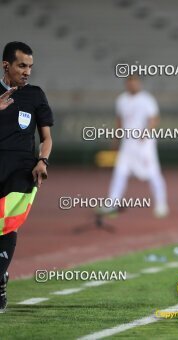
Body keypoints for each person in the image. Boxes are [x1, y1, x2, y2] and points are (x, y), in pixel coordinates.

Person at [0, 41, 53, 313]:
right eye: (22, 65)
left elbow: (46, 138)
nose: (27, 72)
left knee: (9, 224)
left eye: (30, 66)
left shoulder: (35, 95)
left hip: (22, 170)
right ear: (6, 65)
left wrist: (42, 160)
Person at [105, 75, 168, 218]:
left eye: (135, 82)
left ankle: (161, 204)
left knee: (153, 174)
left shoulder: (147, 100)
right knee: (120, 172)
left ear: (139, 84)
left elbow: (153, 119)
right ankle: (112, 204)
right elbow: (119, 122)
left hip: (144, 145)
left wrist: (145, 133)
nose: (132, 85)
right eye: (130, 82)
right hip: (127, 144)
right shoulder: (121, 100)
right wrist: (116, 139)